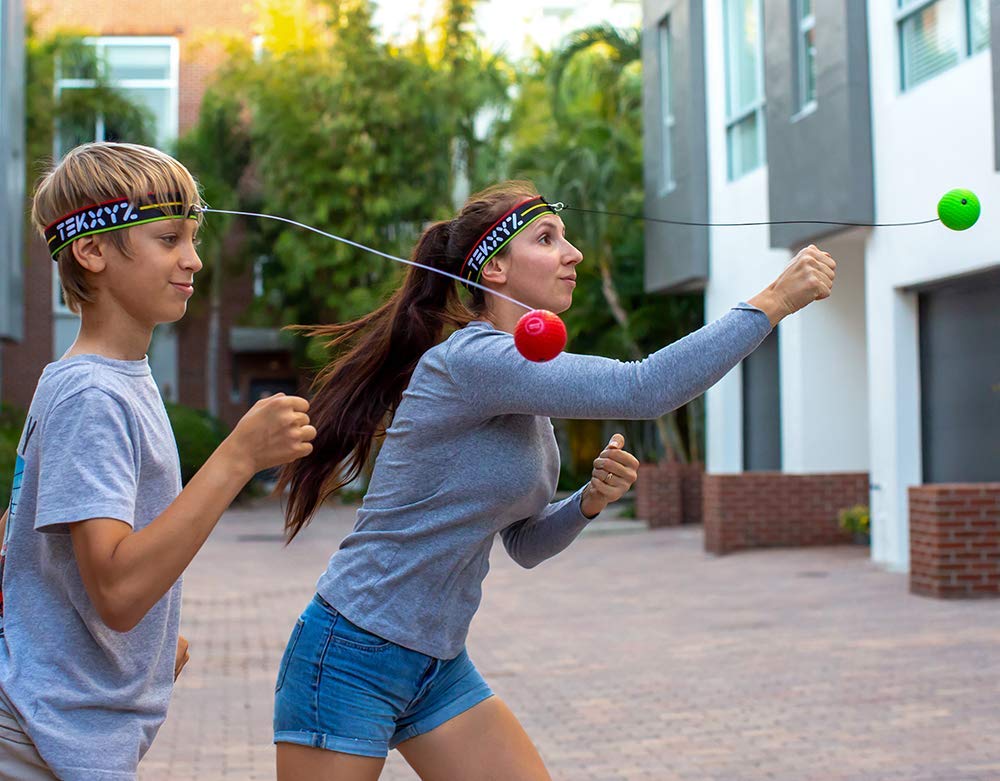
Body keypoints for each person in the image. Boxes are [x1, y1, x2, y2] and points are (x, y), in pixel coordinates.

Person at [272, 181, 835, 780]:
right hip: (354, 649)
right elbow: (642, 388)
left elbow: (525, 545)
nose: (575, 255)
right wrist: (773, 299)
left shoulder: (524, 387)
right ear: (494, 269)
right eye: (548, 238)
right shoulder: (471, 362)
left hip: (435, 662)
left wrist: (587, 501)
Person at [0, 141, 316, 781]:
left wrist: (139, 650)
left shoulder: (102, 379)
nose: (193, 259)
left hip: (63, 726)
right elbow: (117, 592)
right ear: (91, 251)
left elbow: (22, 540)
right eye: (170, 238)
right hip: (43, 735)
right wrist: (237, 457)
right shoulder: (92, 395)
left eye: (193, 237)